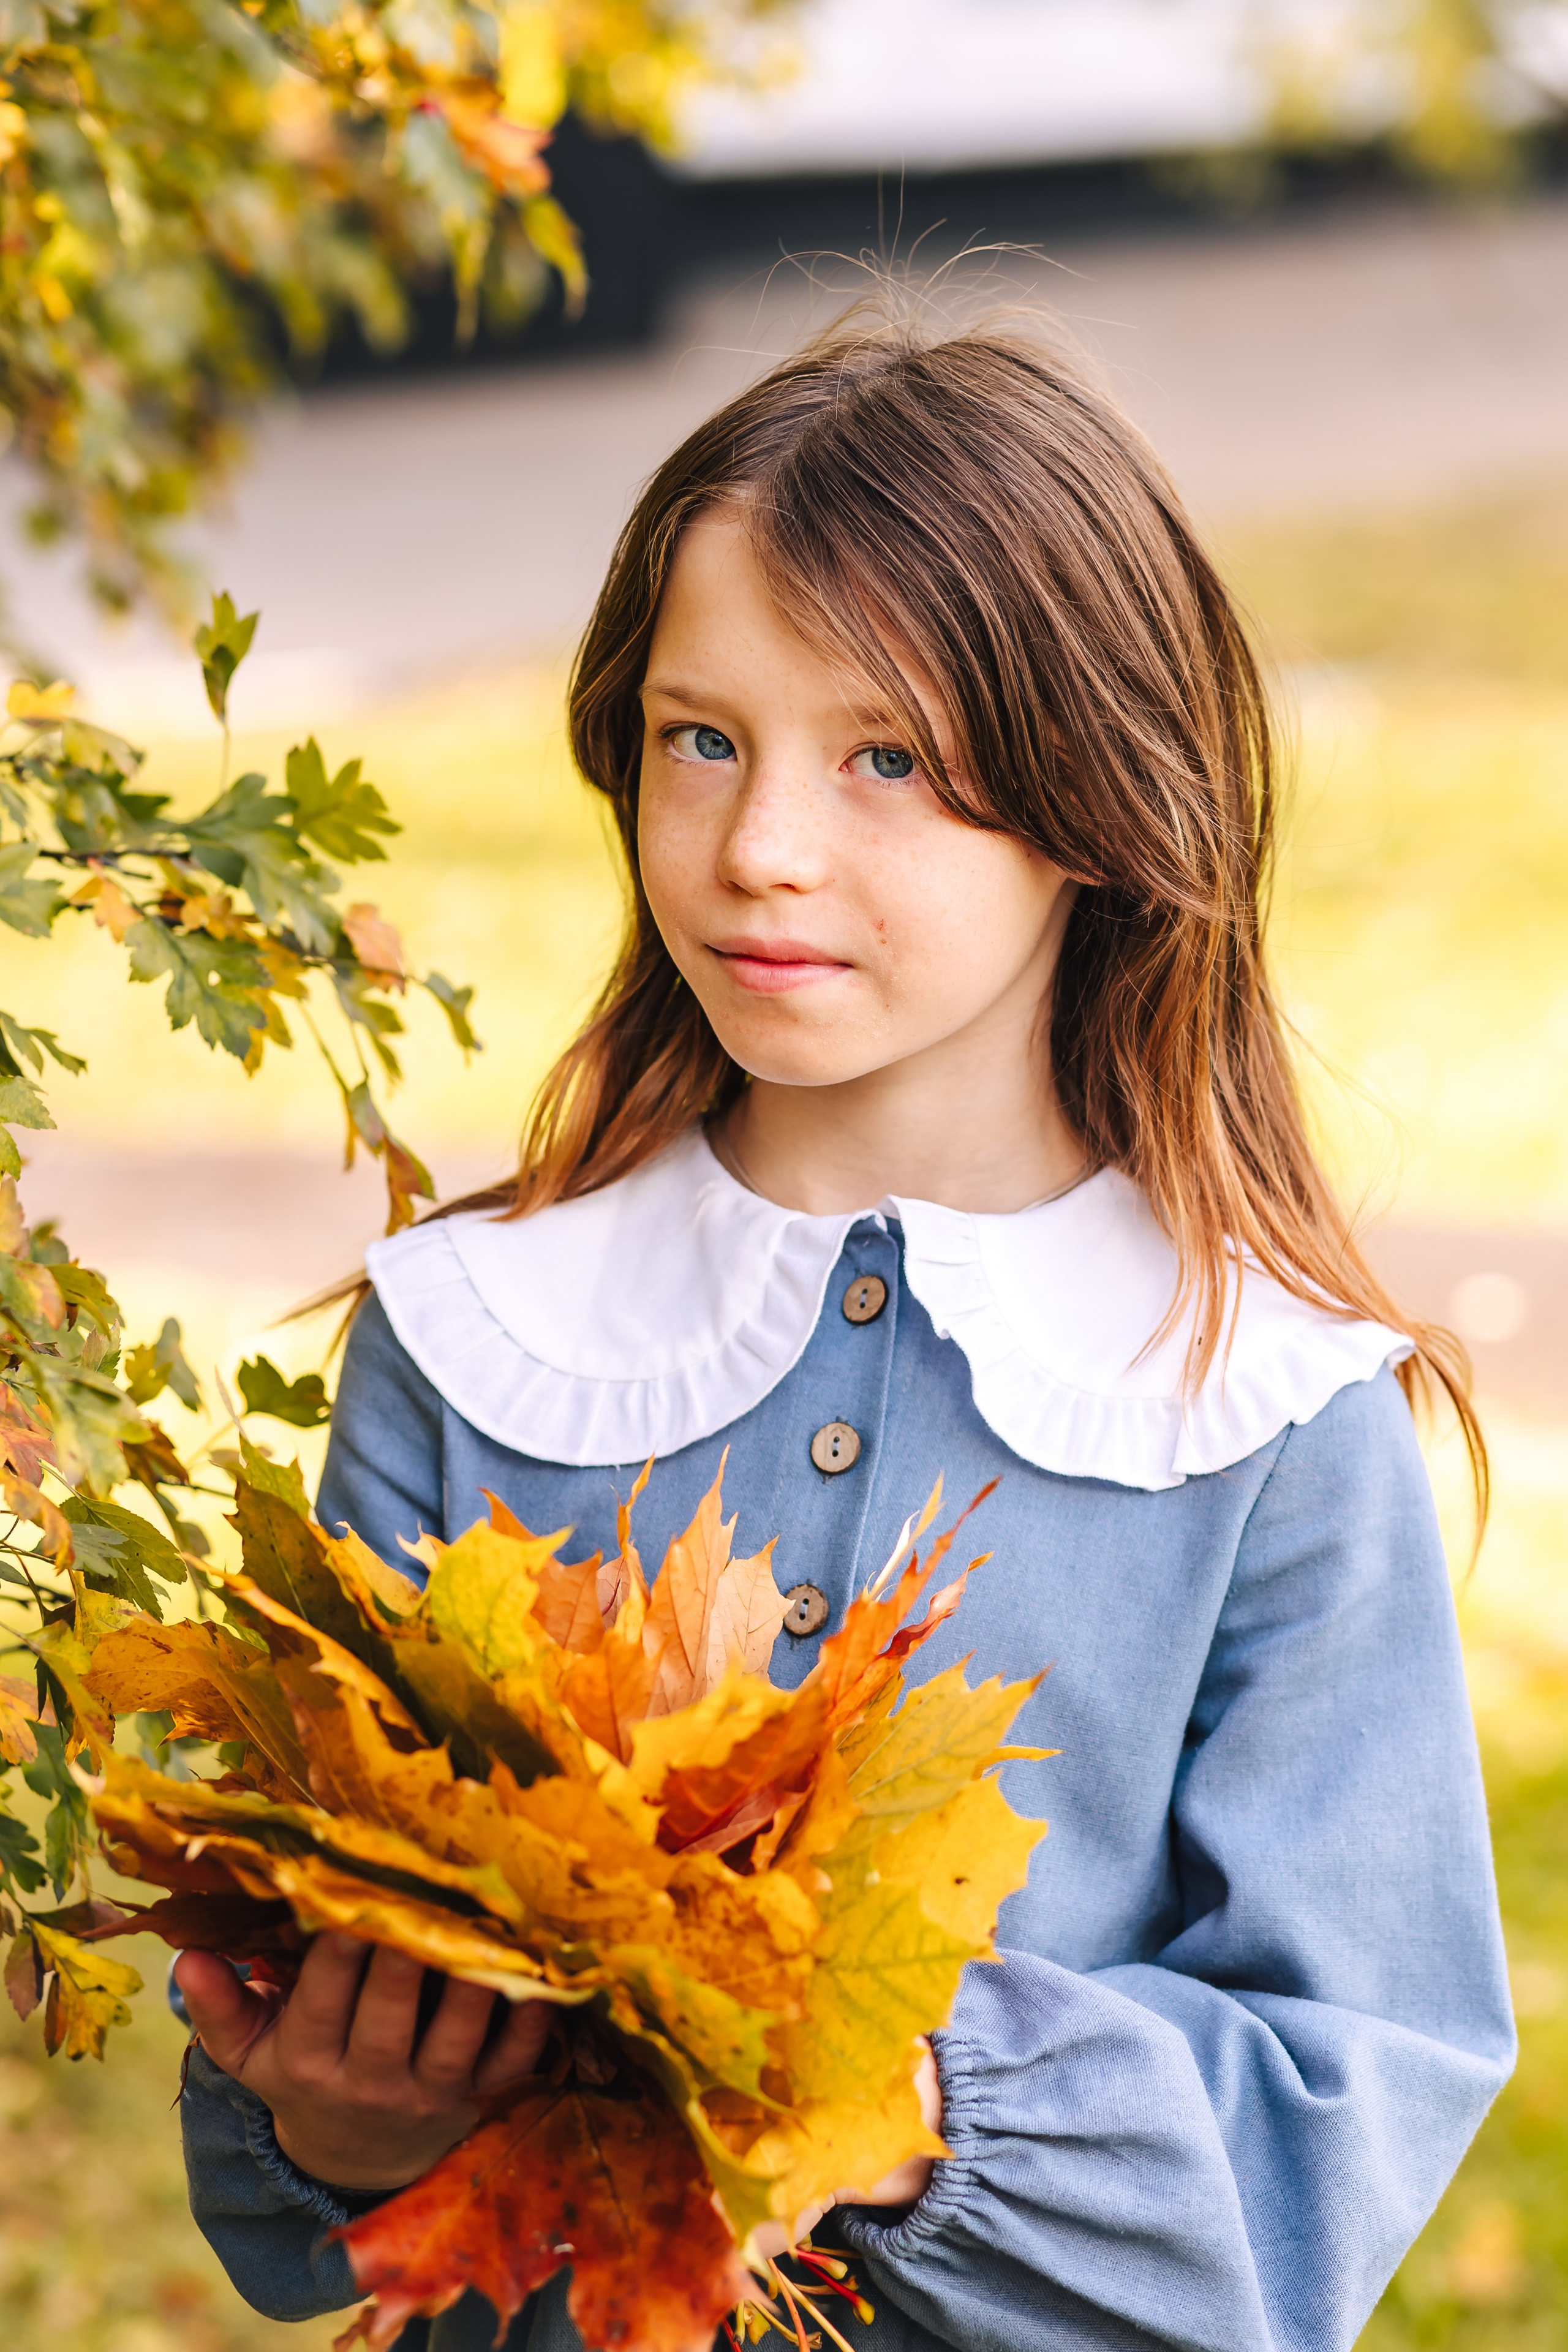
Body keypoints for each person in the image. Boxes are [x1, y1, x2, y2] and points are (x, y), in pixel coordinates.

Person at [173, 306, 1515, 2352]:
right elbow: (303, 2129)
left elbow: (1347, 2095)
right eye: (699, 738)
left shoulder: (1258, 1406)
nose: (760, 849)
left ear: (1094, 796)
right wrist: (342, 2128)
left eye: (886, 758)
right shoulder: (480, 1339)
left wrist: (896, 2096)